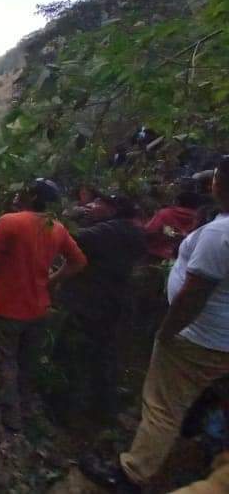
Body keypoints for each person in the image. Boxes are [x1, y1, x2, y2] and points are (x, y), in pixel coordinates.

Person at [82, 157, 229, 492]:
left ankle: (132, 474)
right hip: (220, 338)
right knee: (204, 396)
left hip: (197, 337)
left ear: (218, 184)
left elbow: (195, 293)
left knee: (162, 407)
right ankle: (191, 447)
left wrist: (168, 330)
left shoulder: (219, 234)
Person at [0, 179, 87, 432]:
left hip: (6, 305)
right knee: (27, 362)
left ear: (30, 196)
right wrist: (51, 281)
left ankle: (10, 417)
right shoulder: (57, 228)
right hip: (38, 307)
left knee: (5, 361)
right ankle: (26, 408)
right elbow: (78, 262)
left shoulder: (10, 221)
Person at [56, 195, 147, 416]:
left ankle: (66, 407)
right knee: (105, 353)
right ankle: (103, 406)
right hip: (115, 302)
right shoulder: (134, 231)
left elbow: (68, 239)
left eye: (98, 203)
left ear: (112, 209)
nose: (92, 206)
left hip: (90, 302)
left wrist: (71, 217)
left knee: (70, 352)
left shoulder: (106, 232)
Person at [144, 190, 201, 260]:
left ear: (178, 202)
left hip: (159, 257)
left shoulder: (165, 213)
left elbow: (150, 230)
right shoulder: (201, 217)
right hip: (189, 259)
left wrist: (169, 232)